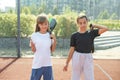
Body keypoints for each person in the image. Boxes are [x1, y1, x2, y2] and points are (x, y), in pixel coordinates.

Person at [63, 15, 108, 80]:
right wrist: (67, 63)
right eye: (80, 23)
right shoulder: (74, 35)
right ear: (77, 24)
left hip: (88, 57)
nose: (83, 25)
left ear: (87, 22)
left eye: (84, 22)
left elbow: (106, 28)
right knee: (75, 77)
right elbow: (72, 50)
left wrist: (94, 25)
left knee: (90, 78)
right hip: (77, 56)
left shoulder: (91, 33)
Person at [30, 14, 56, 80]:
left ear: (48, 24)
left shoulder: (50, 35)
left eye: (45, 24)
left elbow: (52, 50)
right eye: (41, 24)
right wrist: (32, 45)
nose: (44, 26)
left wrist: (54, 39)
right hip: (37, 64)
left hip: (48, 64)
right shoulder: (34, 35)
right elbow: (33, 50)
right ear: (38, 25)